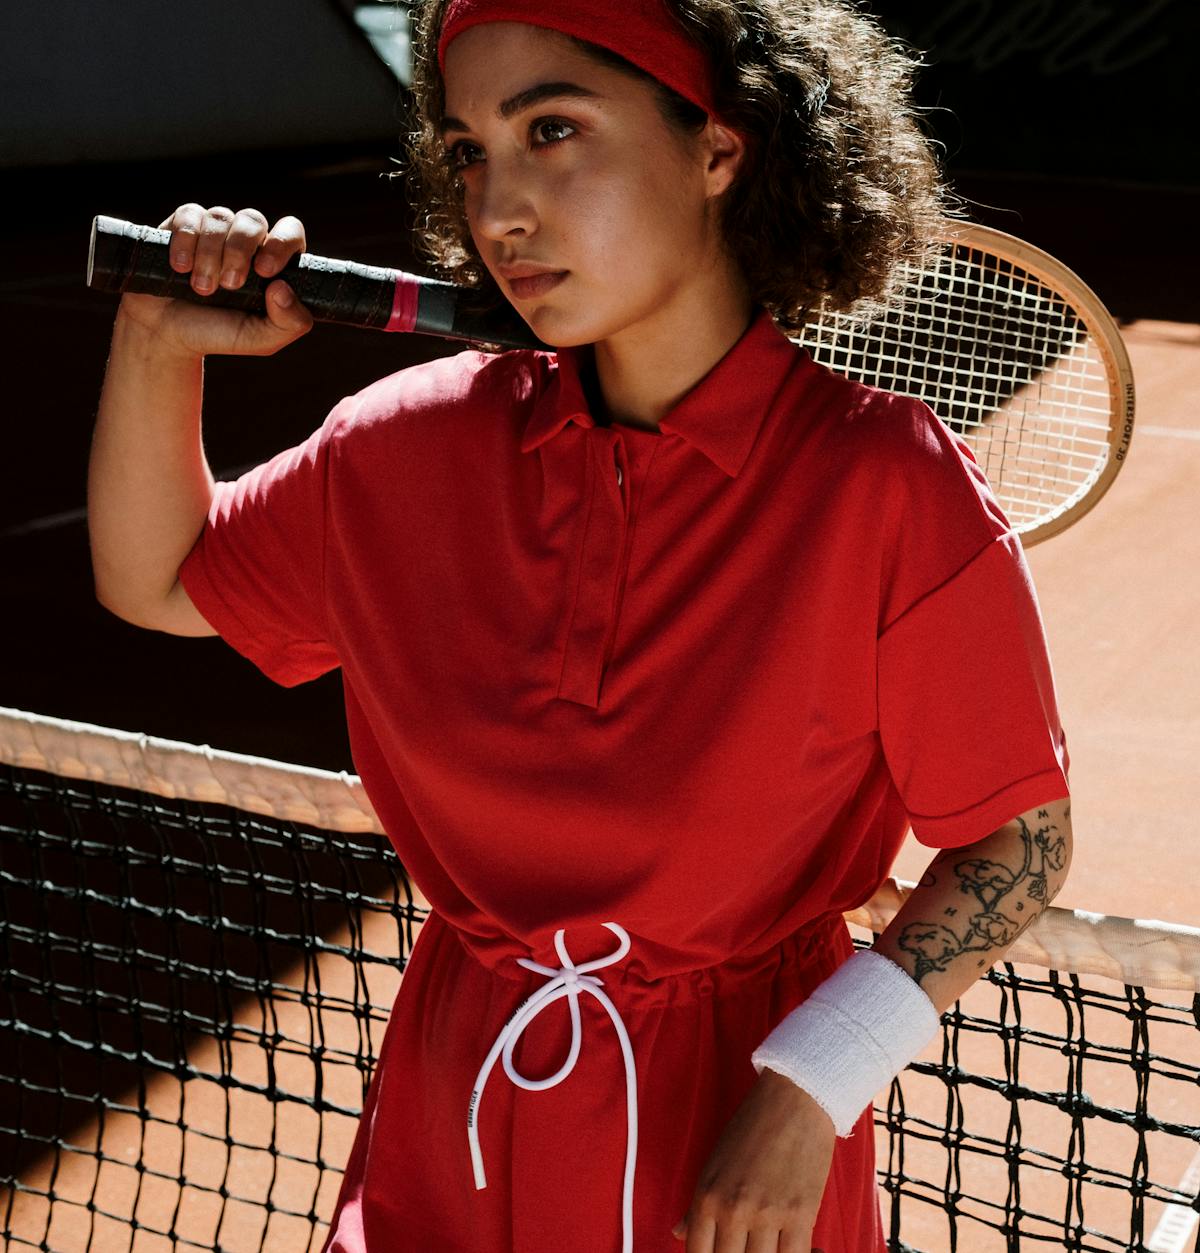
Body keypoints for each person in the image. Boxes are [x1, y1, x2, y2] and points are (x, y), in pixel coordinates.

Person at [87, 1, 1074, 1249]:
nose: (500, 207)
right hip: (447, 1137)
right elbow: (163, 580)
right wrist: (158, 340)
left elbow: (1017, 840)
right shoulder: (405, 443)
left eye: (551, 128)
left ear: (719, 149)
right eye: (467, 151)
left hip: (729, 1155)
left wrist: (812, 1083)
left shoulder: (883, 483)